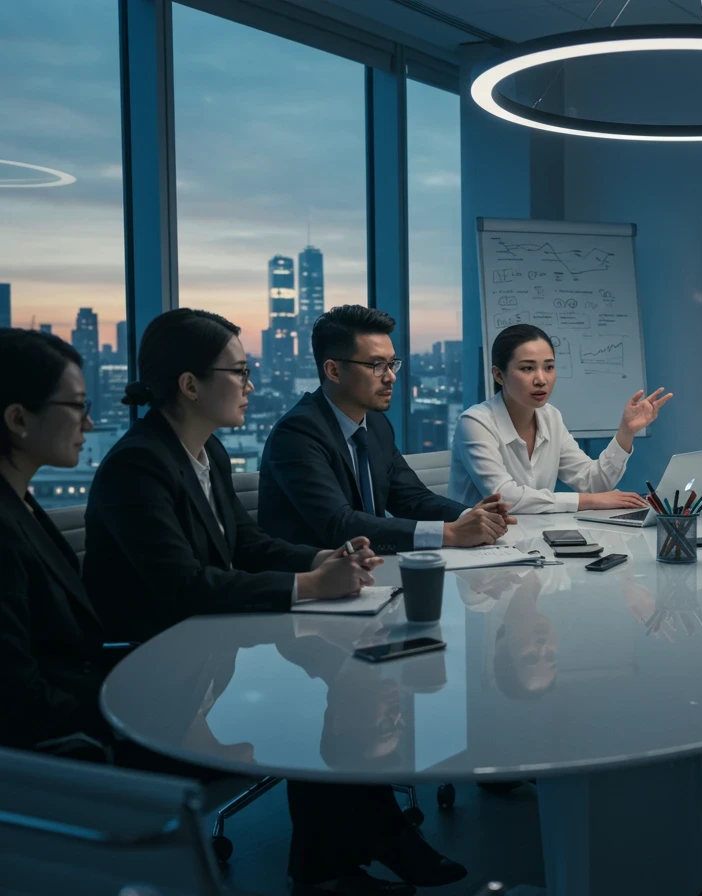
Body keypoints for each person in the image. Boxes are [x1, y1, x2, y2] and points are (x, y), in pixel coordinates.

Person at [83, 309, 464, 896]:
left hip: (213, 635)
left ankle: (339, 861)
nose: (252, 385)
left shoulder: (204, 454)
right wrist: (310, 586)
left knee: (354, 669)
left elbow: (249, 544)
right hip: (157, 663)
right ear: (190, 384)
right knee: (332, 684)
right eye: (238, 372)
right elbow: (185, 586)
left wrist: (320, 562)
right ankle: (340, 863)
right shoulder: (140, 463)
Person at [259, 305, 513, 554]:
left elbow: (411, 498)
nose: (390, 376)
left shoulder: (375, 424)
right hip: (315, 583)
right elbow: (340, 525)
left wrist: (472, 516)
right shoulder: (297, 434)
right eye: (376, 365)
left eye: (392, 364)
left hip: (370, 571)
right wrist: (451, 533)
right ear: (334, 370)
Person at [0, 329, 108, 751]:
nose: (90, 423)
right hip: (61, 748)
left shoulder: (20, 502)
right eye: (78, 407)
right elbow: (17, 697)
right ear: (19, 419)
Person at [449, 323, 673, 513]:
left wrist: (626, 431)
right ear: (499, 375)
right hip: (480, 549)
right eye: (527, 368)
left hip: (536, 539)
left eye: (549, 367)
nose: (541, 379)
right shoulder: (475, 423)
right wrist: (589, 502)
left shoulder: (550, 417)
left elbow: (592, 483)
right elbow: (505, 498)